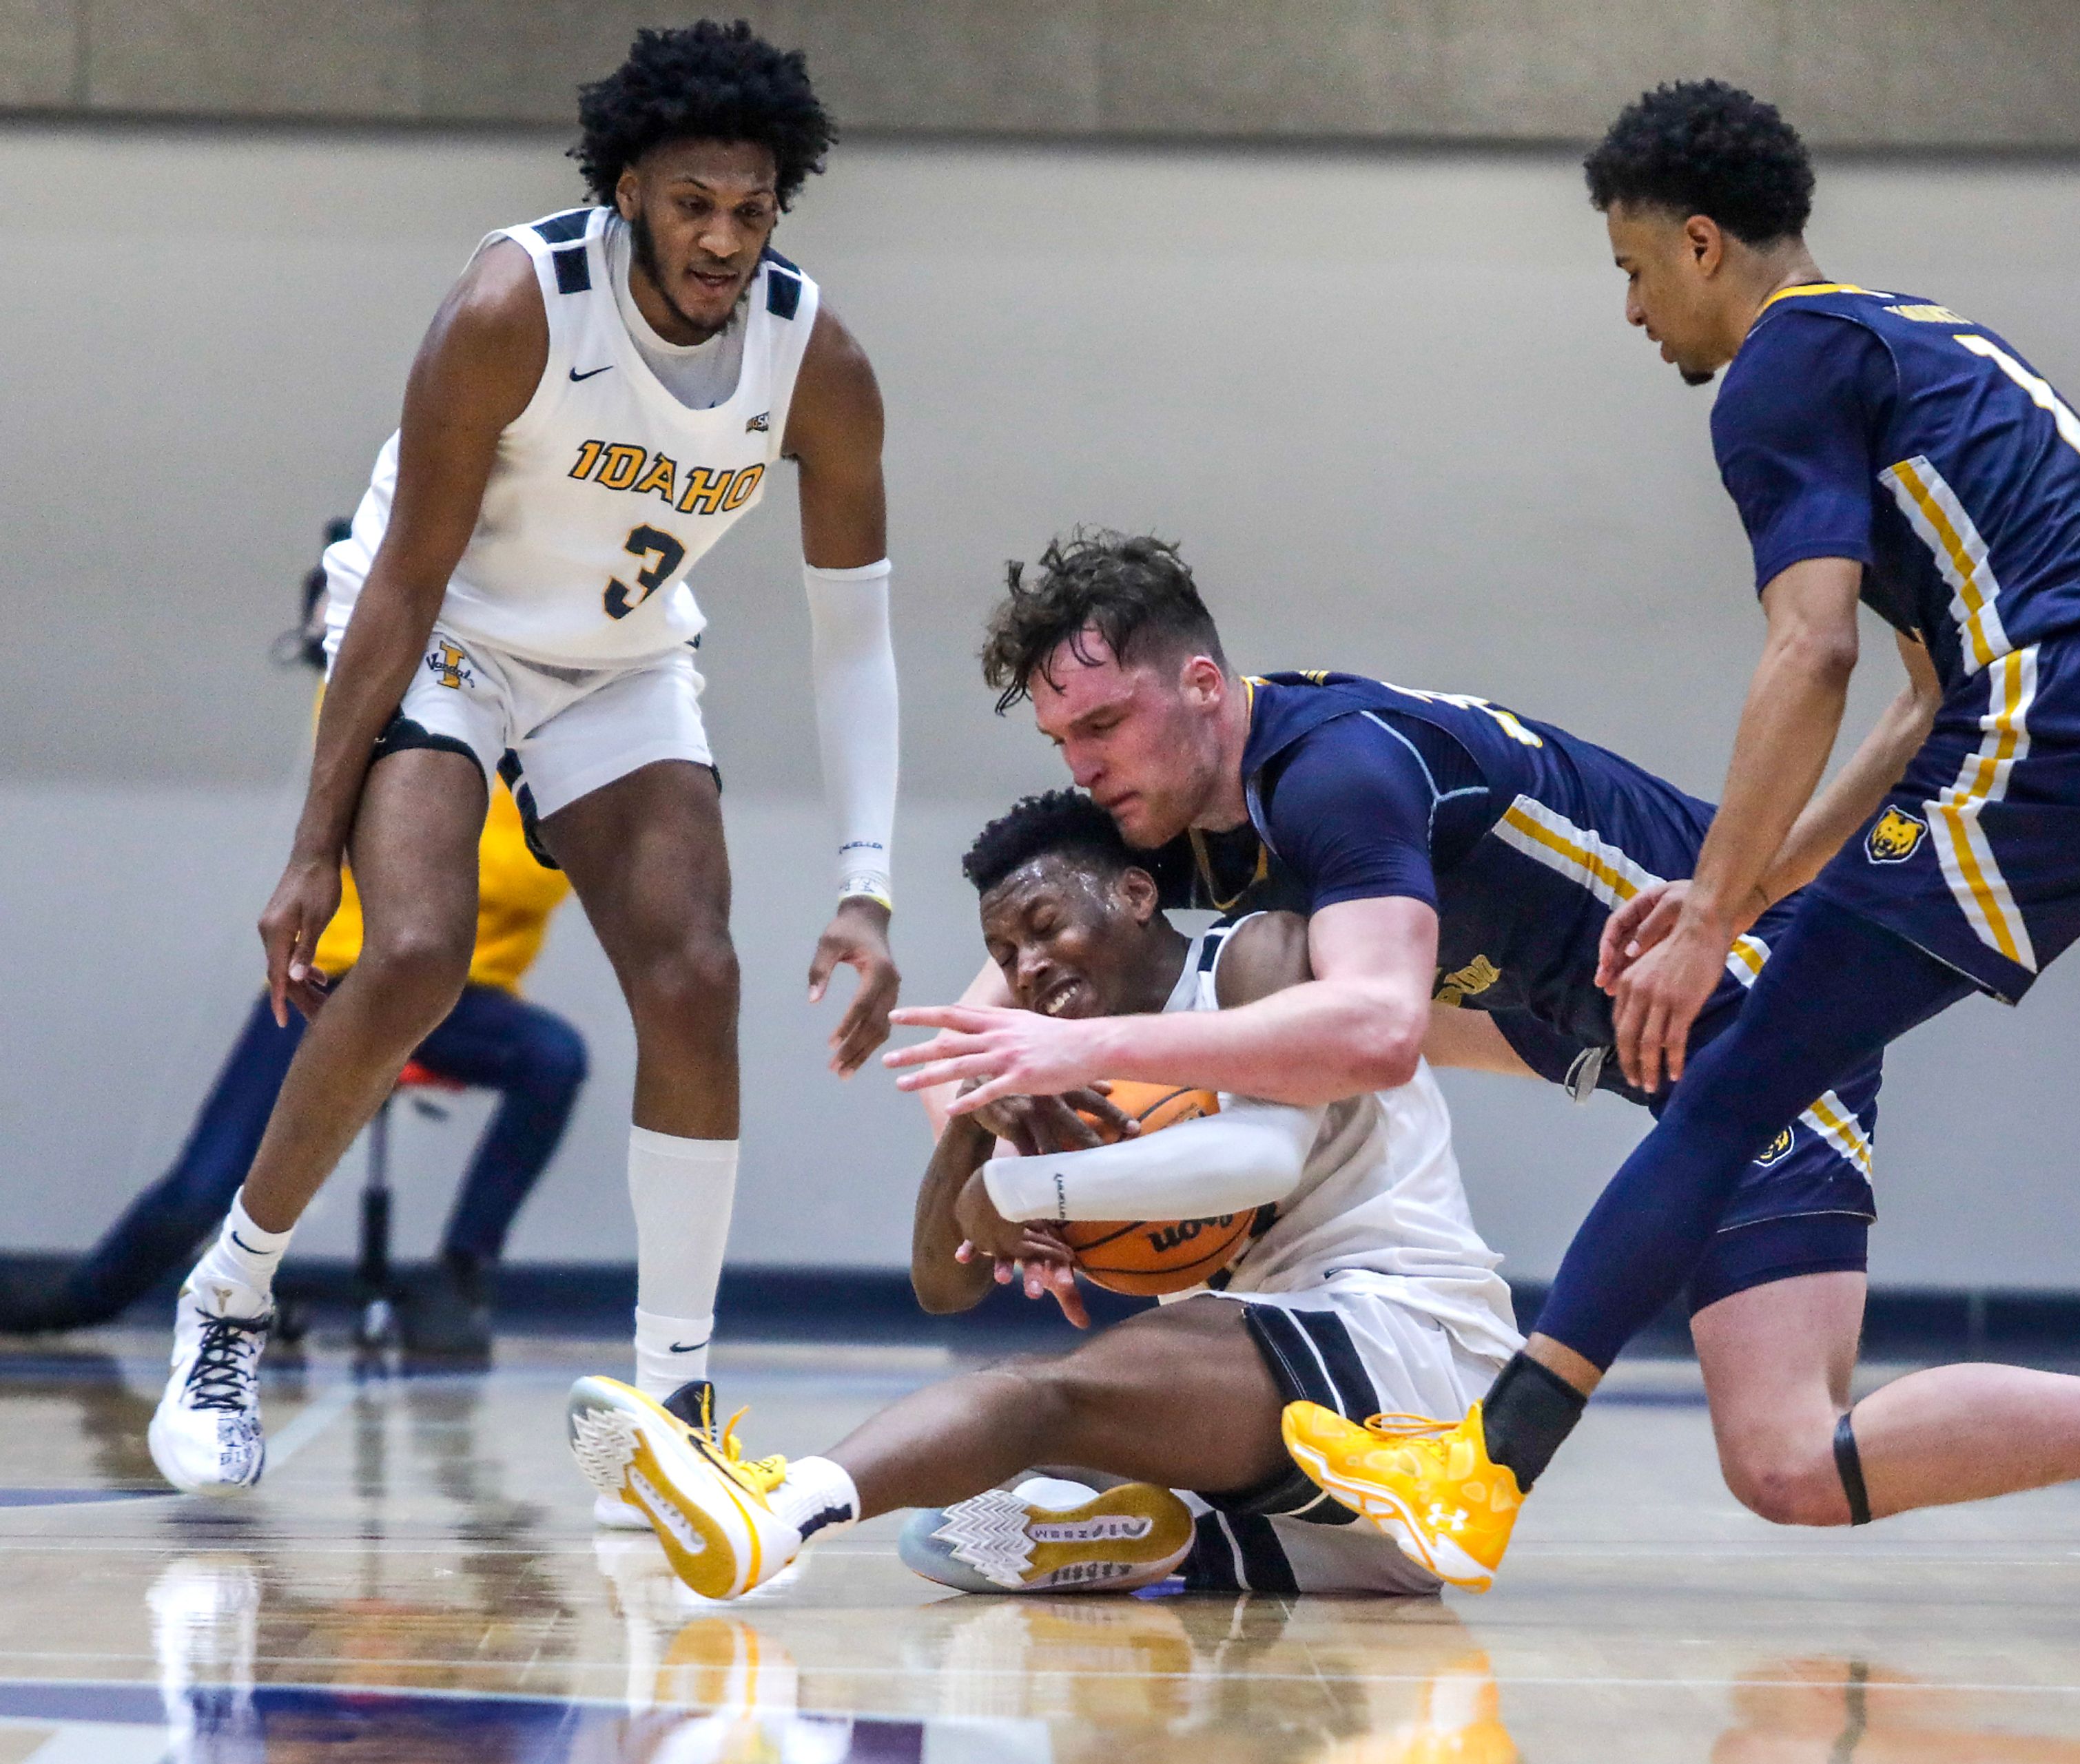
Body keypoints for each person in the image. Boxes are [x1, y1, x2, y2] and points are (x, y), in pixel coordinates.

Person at [1257, 81, 2080, 1630]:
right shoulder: (1926, 338)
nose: (1630, 309)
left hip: (2073, 706)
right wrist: (1738, 891)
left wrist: (1704, 935)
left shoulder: (1778, 366)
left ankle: (1481, 1472)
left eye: (1632, 268)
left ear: (1702, 243)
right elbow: (1915, 698)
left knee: (1728, 1073)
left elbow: (1810, 650)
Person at [882, 538, 2080, 1592]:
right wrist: (981, 1077)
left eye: (1097, 725)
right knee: (1787, 1445)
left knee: (1782, 1452)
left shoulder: (1336, 772)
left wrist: (1076, 1052)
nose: (1082, 768)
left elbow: (1366, 1031)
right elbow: (1071, 929)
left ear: (1200, 687)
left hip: (1771, 1028)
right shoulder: (1206, 808)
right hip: (1664, 1056)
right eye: (1059, 741)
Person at [147, 21, 905, 1502]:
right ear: (628, 188)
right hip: (447, 632)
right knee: (419, 947)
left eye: (752, 209)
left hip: (617, 657)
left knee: (697, 973)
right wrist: (310, 847)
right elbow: (406, 579)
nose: (723, 238)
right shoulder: (515, 301)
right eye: (693, 202)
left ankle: (673, 1399)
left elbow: (854, 638)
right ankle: (228, 1295)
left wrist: (868, 884)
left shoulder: (818, 357)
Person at [565, 791, 1521, 1599]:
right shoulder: (1053, 1072)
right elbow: (944, 1285)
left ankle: (773, 1512)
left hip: (1416, 1364)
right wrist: (985, 1121)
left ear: (1138, 893)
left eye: (1045, 927)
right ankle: (1170, 1539)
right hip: (1351, 1528)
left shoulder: (1258, 955)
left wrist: (1026, 1186)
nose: (1027, 968)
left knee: (1037, 1398)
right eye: (1005, 951)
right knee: (970, 1497)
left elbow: (1265, 1157)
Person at [0, 540, 584, 1360]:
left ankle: (457, 1273)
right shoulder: (393, 705)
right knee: (205, 1182)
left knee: (555, 1058)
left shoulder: (549, 744)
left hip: (456, 1000)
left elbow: (526, 881)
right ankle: (81, 1297)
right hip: (332, 982)